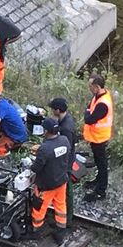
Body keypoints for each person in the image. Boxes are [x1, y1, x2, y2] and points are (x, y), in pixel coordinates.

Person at [29, 118, 70, 244]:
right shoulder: (64, 140)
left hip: (46, 185)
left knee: (39, 207)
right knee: (60, 205)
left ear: (46, 130)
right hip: (61, 181)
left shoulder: (45, 149)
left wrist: (32, 162)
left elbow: (36, 168)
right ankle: (60, 231)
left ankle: (36, 229)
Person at [82, 74, 113, 202]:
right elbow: (89, 108)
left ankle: (100, 191)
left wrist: (87, 112)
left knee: (101, 164)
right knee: (99, 161)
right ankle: (98, 181)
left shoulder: (103, 104)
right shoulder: (99, 95)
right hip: (95, 137)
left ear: (97, 86)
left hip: (99, 138)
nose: (89, 88)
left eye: (90, 86)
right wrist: (88, 111)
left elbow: (89, 119)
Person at [49, 97, 77, 228]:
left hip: (65, 163)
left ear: (58, 110)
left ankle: (67, 220)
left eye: (53, 109)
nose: (51, 111)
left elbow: (66, 148)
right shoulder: (66, 120)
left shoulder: (66, 128)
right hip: (66, 161)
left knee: (66, 191)